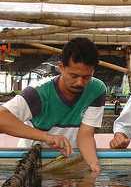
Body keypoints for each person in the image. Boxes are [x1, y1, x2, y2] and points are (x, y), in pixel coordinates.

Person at [0, 37, 106, 173]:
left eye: (86, 77)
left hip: (67, 160)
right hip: (34, 161)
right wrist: (47, 137)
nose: (80, 82)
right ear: (61, 67)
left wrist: (94, 166)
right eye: (74, 76)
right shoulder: (39, 92)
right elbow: (2, 118)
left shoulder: (97, 90)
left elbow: (85, 135)